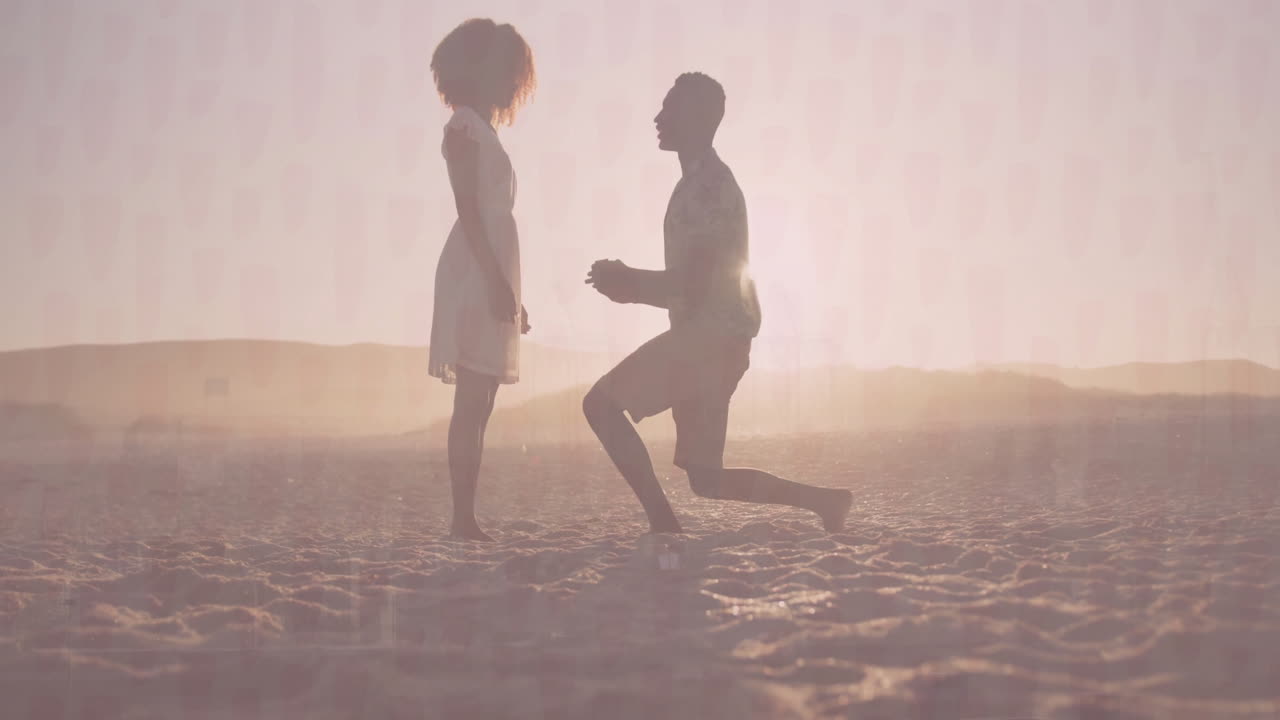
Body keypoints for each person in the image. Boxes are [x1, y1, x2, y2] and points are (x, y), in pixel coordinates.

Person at [583, 72, 853, 535]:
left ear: (699, 117)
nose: (658, 117)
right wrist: (630, 287)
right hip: (719, 341)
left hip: (708, 342)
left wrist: (630, 282)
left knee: (600, 406)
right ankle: (825, 502)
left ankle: (664, 525)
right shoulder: (695, 184)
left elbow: (695, 286)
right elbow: (693, 286)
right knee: (705, 479)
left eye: (670, 108)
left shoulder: (708, 187)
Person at [428, 19, 535, 541]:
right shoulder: (464, 128)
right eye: (508, 70)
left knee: (483, 399)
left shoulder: (485, 132)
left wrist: (512, 292)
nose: (515, 82)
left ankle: (465, 516)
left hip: (491, 266)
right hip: (474, 267)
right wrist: (494, 280)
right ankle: (462, 518)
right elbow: (468, 210)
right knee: (471, 400)